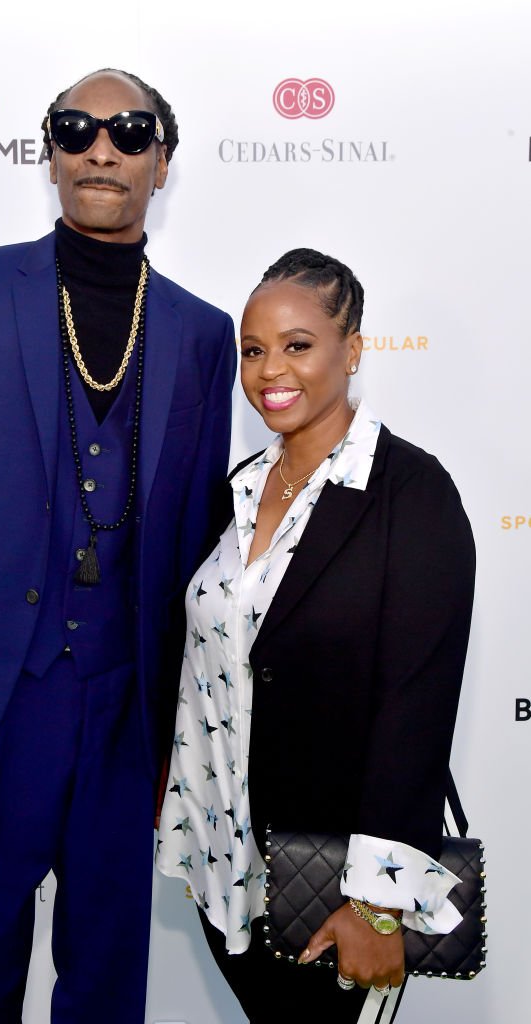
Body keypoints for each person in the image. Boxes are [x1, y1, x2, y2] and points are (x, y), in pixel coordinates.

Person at [0, 68, 236, 1024]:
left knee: (109, 984)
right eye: (75, 129)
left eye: (127, 130)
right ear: (51, 153)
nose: (99, 147)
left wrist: (184, 734)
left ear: (162, 160)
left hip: (126, 715)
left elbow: (197, 551)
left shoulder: (200, 334)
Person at [156, 248, 475, 1023]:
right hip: (222, 865)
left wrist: (376, 905)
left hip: (330, 882)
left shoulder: (410, 491)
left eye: (297, 345)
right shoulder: (234, 489)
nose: (271, 369)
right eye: (254, 349)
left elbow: (415, 705)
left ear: (353, 350)